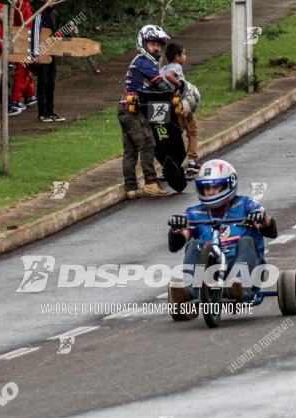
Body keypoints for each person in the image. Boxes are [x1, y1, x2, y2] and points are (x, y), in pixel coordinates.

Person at [167, 159, 278, 302]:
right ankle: (188, 290)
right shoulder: (194, 213)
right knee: (193, 245)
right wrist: (176, 229)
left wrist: (262, 218)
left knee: (246, 241)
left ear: (228, 184)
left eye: (214, 187)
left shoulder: (244, 204)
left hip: (247, 267)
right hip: (210, 268)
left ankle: (239, 285)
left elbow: (270, 230)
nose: (209, 192)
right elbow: (176, 243)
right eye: (206, 188)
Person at [118, 25, 173, 198]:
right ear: (143, 43)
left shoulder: (140, 61)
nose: (157, 48)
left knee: (131, 150)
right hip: (133, 110)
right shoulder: (144, 62)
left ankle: (131, 188)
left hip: (126, 108)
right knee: (148, 143)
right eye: (152, 44)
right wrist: (174, 93)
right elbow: (160, 86)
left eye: (159, 44)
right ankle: (150, 183)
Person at [161, 42, 200, 175]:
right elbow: (169, 76)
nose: (185, 56)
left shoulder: (163, 68)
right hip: (181, 104)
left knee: (173, 134)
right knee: (192, 131)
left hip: (169, 106)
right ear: (177, 57)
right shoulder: (176, 67)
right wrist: (180, 85)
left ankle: (169, 163)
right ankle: (192, 161)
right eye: (184, 54)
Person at [34, 1, 68, 122]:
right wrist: (36, 54)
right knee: (42, 82)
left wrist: (68, 30)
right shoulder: (39, 14)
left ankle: (50, 111)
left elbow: (56, 34)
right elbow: (35, 34)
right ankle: (42, 113)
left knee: (51, 82)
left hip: (52, 53)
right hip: (41, 53)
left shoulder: (55, 14)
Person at [10, 0, 37, 115]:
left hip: (22, 38)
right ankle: (15, 99)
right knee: (23, 70)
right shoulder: (22, 4)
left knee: (26, 69)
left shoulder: (20, 3)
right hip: (24, 39)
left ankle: (29, 95)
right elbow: (26, 24)